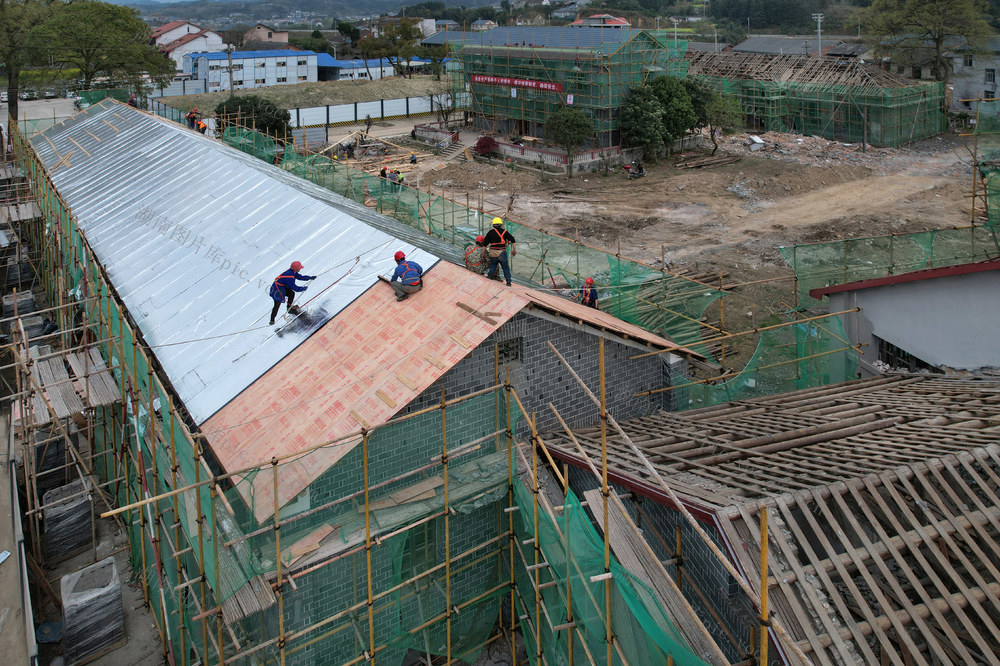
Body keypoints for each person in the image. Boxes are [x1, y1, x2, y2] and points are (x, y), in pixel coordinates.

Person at [484, 217, 516, 286]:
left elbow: (484, 244)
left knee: (493, 264)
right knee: (505, 268)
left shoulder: (490, 233)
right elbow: (513, 240)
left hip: (493, 252)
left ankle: (490, 275)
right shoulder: (505, 232)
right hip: (501, 253)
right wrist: (514, 250)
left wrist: (483, 254)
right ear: (501, 225)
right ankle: (508, 282)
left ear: (493, 225)